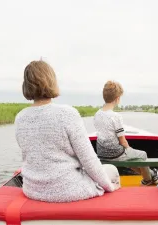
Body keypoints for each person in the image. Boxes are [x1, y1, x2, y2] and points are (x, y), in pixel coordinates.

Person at [15, 60, 120, 203]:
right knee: (112, 170)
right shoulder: (67, 114)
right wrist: (108, 187)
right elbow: (89, 160)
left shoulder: (20, 117)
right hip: (68, 190)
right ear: (51, 81)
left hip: (32, 190)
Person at [93, 80, 158, 186]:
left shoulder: (97, 114)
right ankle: (148, 180)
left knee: (132, 158)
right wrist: (129, 149)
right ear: (117, 99)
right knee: (141, 155)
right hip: (115, 153)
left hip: (101, 153)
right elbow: (122, 141)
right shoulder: (116, 116)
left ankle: (152, 175)